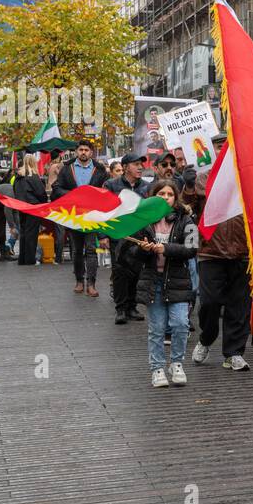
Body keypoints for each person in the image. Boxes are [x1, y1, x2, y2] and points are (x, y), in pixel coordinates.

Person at [130, 179, 197, 388]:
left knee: (180, 324)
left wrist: (165, 249)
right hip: (153, 281)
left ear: (175, 198)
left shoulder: (186, 220)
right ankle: (157, 368)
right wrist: (143, 249)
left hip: (178, 281)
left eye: (169, 194)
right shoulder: (143, 220)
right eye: (161, 194)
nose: (166, 198)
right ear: (152, 196)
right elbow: (129, 253)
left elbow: (192, 248)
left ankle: (176, 363)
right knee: (157, 327)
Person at [192, 169, 252, 373]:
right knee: (210, 302)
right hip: (212, 253)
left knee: (239, 306)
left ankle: (234, 353)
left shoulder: (250, 176)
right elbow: (190, 199)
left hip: (243, 253)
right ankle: (206, 338)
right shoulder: (205, 177)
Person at [51, 139, 108, 296]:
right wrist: (71, 195)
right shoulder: (67, 169)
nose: (83, 152)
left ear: (91, 152)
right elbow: (56, 188)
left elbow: (106, 190)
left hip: (92, 215)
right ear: (77, 151)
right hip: (74, 215)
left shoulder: (100, 170)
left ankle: (91, 284)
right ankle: (78, 281)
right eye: (81, 149)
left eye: (86, 150)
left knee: (91, 249)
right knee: (76, 250)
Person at [106, 154, 149, 323]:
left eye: (141, 165)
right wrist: (103, 235)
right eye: (136, 164)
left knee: (136, 271)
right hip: (119, 235)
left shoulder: (146, 187)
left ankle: (132, 307)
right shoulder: (111, 185)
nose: (140, 167)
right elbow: (104, 211)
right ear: (125, 167)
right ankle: (121, 309)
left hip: (139, 235)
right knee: (119, 271)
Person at [12, 156, 48, 266]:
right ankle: (30, 260)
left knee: (23, 233)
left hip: (21, 207)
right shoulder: (33, 176)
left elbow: (15, 191)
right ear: (34, 163)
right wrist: (44, 201)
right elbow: (41, 192)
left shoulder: (18, 177)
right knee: (31, 234)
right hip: (33, 207)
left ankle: (22, 259)